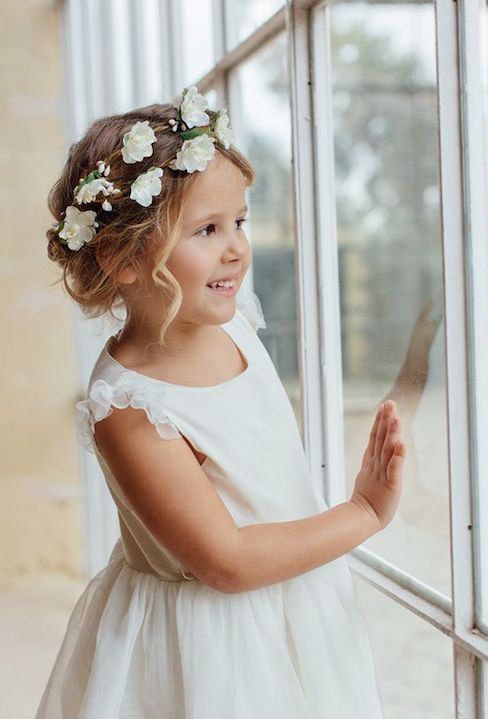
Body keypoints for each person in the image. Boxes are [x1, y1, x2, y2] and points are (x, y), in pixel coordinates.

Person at [36, 85, 406, 718]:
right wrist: (365, 513)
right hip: (207, 647)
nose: (236, 246)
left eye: (240, 221)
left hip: (293, 602)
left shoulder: (233, 325)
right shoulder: (128, 406)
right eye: (206, 229)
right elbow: (226, 562)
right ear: (122, 257)